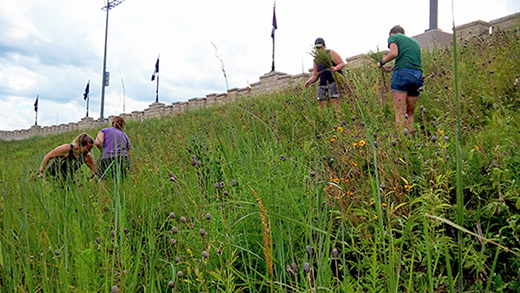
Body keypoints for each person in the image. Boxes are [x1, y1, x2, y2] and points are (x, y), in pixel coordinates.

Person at [377, 25, 424, 131]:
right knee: (409, 113)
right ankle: (412, 141)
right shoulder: (414, 42)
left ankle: (401, 143)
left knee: (400, 112)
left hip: (402, 76)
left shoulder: (393, 37)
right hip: (417, 76)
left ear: (391, 34)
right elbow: (410, 62)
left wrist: (381, 62)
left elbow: (393, 53)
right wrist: (394, 67)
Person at [305, 38, 346, 110]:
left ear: (324, 45)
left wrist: (335, 68)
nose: (319, 49)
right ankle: (325, 117)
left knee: (334, 99)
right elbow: (315, 75)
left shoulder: (331, 53)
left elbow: (341, 63)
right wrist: (309, 81)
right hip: (323, 82)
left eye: (320, 47)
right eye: (317, 47)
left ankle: (338, 116)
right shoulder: (316, 59)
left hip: (333, 80)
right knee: (321, 100)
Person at [95, 116, 132, 181]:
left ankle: (102, 191)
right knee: (121, 180)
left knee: (103, 179)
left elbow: (98, 142)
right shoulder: (124, 135)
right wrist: (129, 162)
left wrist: (102, 151)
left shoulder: (104, 130)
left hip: (107, 157)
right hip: (122, 158)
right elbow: (129, 151)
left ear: (112, 123)